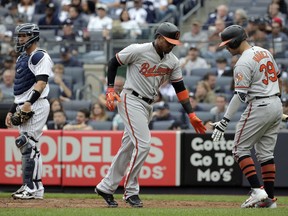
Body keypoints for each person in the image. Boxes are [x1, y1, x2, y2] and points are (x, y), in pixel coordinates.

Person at [95, 22, 206, 208]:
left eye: (174, 43)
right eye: (168, 41)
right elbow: (113, 62)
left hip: (148, 105)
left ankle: (106, 187)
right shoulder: (139, 50)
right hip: (130, 99)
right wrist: (110, 88)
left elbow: (180, 89)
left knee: (128, 148)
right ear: (159, 37)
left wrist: (191, 114)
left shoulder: (173, 61)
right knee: (144, 145)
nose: (171, 45)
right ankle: (131, 191)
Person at [211, 25, 283, 208]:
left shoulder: (242, 62)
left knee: (238, 149)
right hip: (275, 102)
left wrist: (224, 120)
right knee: (265, 154)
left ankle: (258, 191)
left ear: (235, 41)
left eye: (228, 44)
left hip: (259, 104)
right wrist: (277, 103)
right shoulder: (264, 51)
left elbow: (240, 95)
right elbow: (278, 77)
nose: (226, 48)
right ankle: (270, 201)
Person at [5, 23, 53, 199]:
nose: (20, 39)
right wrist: (12, 109)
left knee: (28, 144)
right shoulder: (22, 58)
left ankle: (30, 187)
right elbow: (20, 89)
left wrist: (28, 103)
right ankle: (35, 187)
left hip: (36, 103)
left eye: (23, 35)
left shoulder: (39, 56)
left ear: (33, 36)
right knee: (29, 145)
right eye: (19, 36)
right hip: (24, 103)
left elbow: (41, 82)